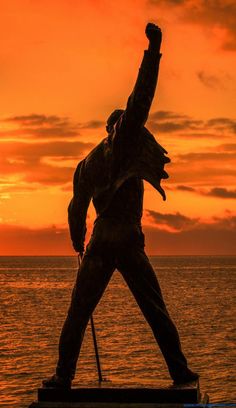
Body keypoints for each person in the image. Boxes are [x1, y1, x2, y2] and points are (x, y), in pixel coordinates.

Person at [43, 23, 199, 389]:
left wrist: (76, 239)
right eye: (127, 125)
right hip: (127, 241)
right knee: (155, 309)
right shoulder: (125, 140)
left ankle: (62, 376)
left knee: (78, 313)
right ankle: (179, 372)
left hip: (98, 242)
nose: (135, 130)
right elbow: (141, 97)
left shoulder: (86, 163)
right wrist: (154, 50)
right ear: (118, 127)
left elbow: (75, 207)